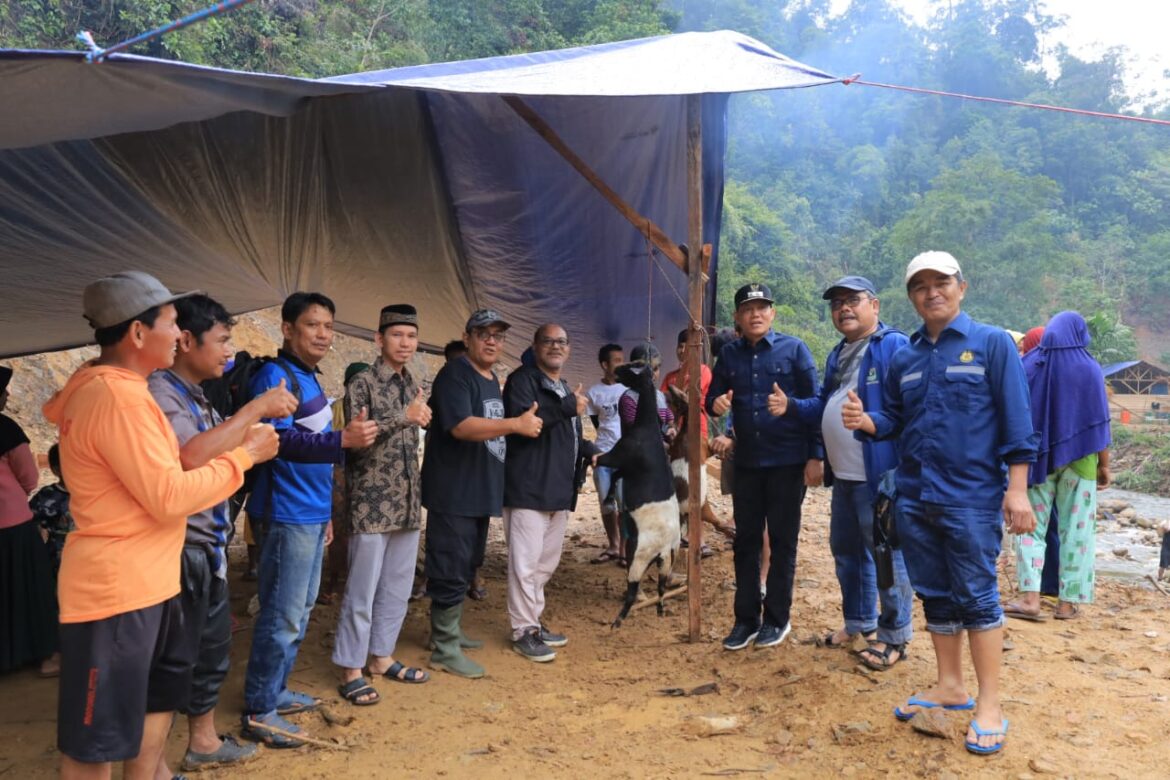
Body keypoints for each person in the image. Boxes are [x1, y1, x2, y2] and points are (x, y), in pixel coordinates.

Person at [42, 270, 278, 780]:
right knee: (96, 740)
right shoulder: (117, 399)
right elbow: (169, 496)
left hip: (146, 581)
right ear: (137, 333)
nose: (179, 336)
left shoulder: (124, 391)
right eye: (172, 324)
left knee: (153, 698)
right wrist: (244, 457)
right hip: (115, 591)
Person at [842, 251, 1038, 756]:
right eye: (920, 286)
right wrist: (867, 422)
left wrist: (1016, 491)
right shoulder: (905, 356)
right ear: (910, 296)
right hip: (914, 497)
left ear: (961, 287)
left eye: (941, 282)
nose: (931, 292)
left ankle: (989, 705)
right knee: (936, 595)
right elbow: (894, 421)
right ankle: (951, 686)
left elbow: (1018, 425)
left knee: (978, 597)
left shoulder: (992, 344)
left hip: (971, 498)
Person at [146, 293, 299, 773]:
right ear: (185, 341)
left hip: (207, 547)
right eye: (222, 341)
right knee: (172, 664)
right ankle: (152, 766)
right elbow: (190, 456)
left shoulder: (195, 395)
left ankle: (204, 742)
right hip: (179, 548)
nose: (228, 352)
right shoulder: (159, 392)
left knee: (210, 652)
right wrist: (254, 410)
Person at [241, 292, 379, 746]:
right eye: (312, 325)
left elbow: (313, 447)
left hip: (310, 512)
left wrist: (327, 515)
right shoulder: (275, 375)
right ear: (287, 329)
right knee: (281, 614)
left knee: (297, 611)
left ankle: (275, 692)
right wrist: (344, 439)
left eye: (328, 326)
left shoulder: (306, 377)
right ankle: (260, 708)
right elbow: (276, 441)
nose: (322, 334)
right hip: (284, 511)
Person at [779, 276, 914, 669]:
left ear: (875, 304)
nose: (844, 308)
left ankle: (895, 636)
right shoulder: (839, 353)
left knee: (887, 556)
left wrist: (870, 420)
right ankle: (859, 623)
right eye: (837, 303)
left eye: (853, 300)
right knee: (849, 552)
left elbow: (907, 409)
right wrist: (789, 405)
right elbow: (824, 404)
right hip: (847, 476)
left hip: (881, 476)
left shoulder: (892, 345)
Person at [421, 310, 542, 679]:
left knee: (466, 562)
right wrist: (515, 424)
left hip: (478, 490)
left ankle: (449, 631)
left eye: (498, 336)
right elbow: (460, 426)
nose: (492, 341)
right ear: (468, 337)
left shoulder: (489, 378)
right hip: (453, 490)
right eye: (483, 334)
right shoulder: (455, 374)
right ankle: (443, 647)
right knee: (449, 564)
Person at [708, 283, 822, 651]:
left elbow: (816, 403)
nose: (756, 314)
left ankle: (777, 619)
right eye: (748, 308)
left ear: (772, 313)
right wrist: (717, 406)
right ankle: (745, 620)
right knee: (746, 541)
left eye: (762, 307)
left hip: (787, 463)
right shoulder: (728, 355)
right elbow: (714, 399)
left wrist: (814, 455)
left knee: (784, 543)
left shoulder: (795, 349)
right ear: (737, 317)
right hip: (748, 464)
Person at [333, 306, 432, 705]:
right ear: (379, 339)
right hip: (372, 504)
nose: (405, 343)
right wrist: (404, 418)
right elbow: (358, 441)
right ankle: (351, 668)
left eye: (411, 335)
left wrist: (413, 417)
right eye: (397, 335)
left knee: (397, 587)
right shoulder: (363, 382)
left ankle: (381, 657)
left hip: (406, 504)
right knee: (362, 589)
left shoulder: (413, 384)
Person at [1004, 311, 1111, 621]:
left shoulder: (1031, 364)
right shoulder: (1090, 368)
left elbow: (1018, 416)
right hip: (1083, 462)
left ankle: (1029, 599)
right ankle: (1067, 603)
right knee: (1077, 532)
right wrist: (1105, 466)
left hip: (1038, 461)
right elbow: (1101, 423)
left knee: (1030, 528)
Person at [503, 324, 595, 662]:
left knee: (545, 564)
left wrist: (588, 447)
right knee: (524, 565)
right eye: (548, 341)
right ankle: (523, 630)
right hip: (528, 487)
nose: (555, 347)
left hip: (557, 489)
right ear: (535, 346)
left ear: (569, 349)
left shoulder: (564, 387)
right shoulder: (523, 380)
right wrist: (566, 408)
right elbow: (526, 424)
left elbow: (565, 435)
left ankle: (533, 622)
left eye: (562, 342)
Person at [0, 366, 59, 678]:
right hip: (12, 524)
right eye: (3, 392)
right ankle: (44, 656)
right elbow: (28, 476)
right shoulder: (6, 429)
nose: (7, 396)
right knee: (30, 589)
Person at [319, 361, 371, 606]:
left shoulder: (374, 410)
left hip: (365, 475)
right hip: (340, 474)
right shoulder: (337, 409)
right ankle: (333, 579)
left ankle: (351, 580)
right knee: (340, 530)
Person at [586, 343, 625, 564]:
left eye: (622, 359)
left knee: (624, 502)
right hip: (602, 454)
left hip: (624, 455)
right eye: (617, 360)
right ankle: (613, 545)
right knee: (606, 503)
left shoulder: (627, 389)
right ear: (604, 364)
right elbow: (596, 422)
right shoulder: (593, 393)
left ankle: (624, 550)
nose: (621, 364)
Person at [31, 444, 72, 574]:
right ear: (56, 470)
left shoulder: (93, 495)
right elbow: (31, 520)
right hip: (55, 560)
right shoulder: (47, 495)